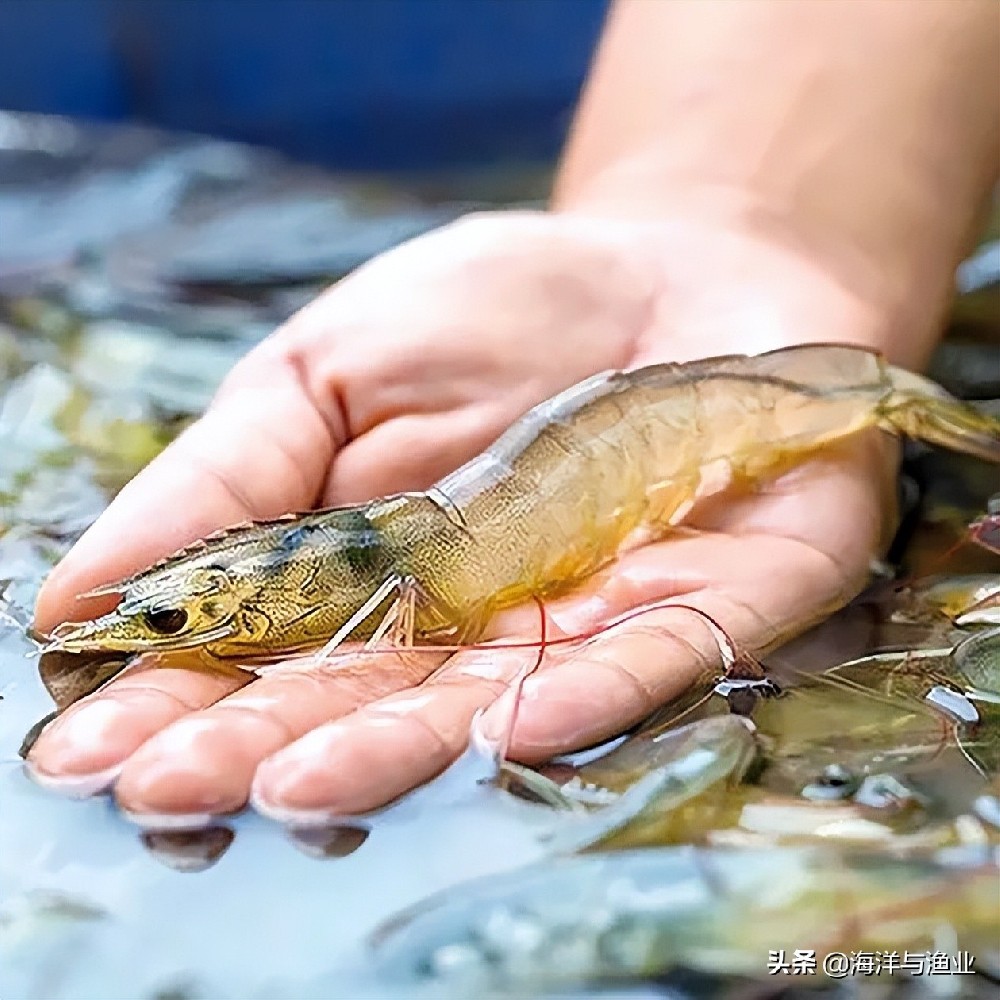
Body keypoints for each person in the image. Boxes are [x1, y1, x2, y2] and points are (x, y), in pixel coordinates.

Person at [28, 0, 999, 822]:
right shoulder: (351, 559)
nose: (154, 622)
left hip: (663, 423)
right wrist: (723, 217)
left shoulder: (390, 573)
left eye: (171, 615)